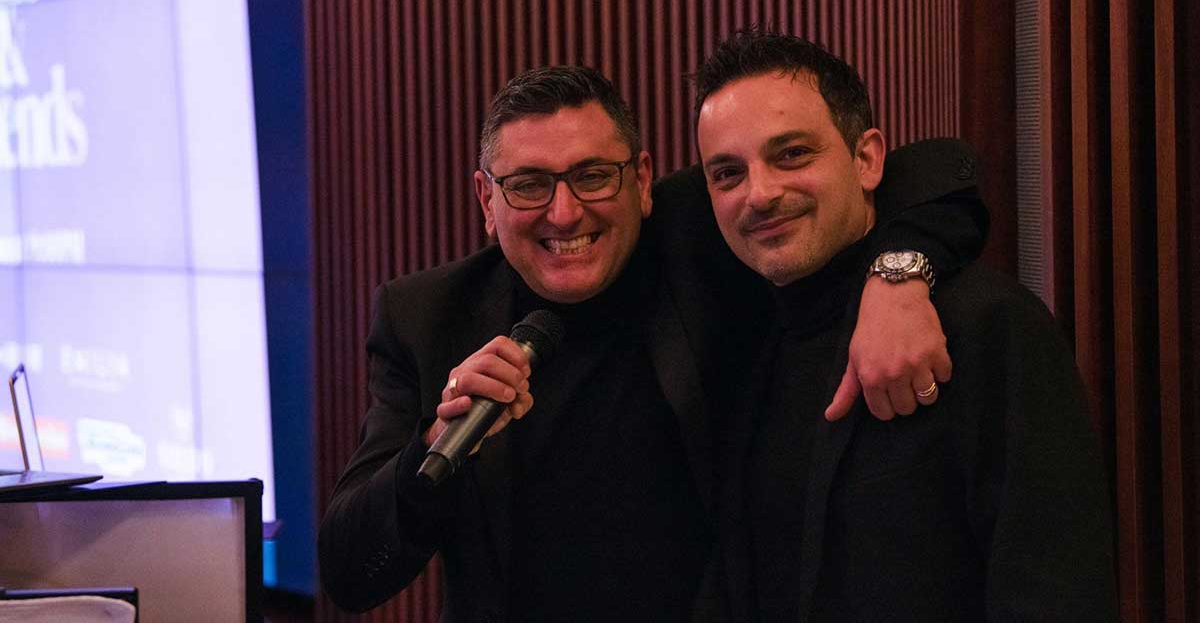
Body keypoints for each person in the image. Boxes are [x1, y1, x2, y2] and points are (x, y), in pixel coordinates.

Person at [318, 65, 987, 620]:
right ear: (486, 201)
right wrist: (433, 448)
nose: (564, 213)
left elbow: (937, 170)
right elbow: (349, 572)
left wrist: (898, 276)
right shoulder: (427, 317)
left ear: (641, 181)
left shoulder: (701, 233)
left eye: (593, 176)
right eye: (528, 186)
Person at [692, 29, 1117, 622]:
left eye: (792, 155)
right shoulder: (733, 336)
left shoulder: (984, 324)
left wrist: (899, 270)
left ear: (867, 159)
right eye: (727, 173)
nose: (759, 194)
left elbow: (1056, 589)